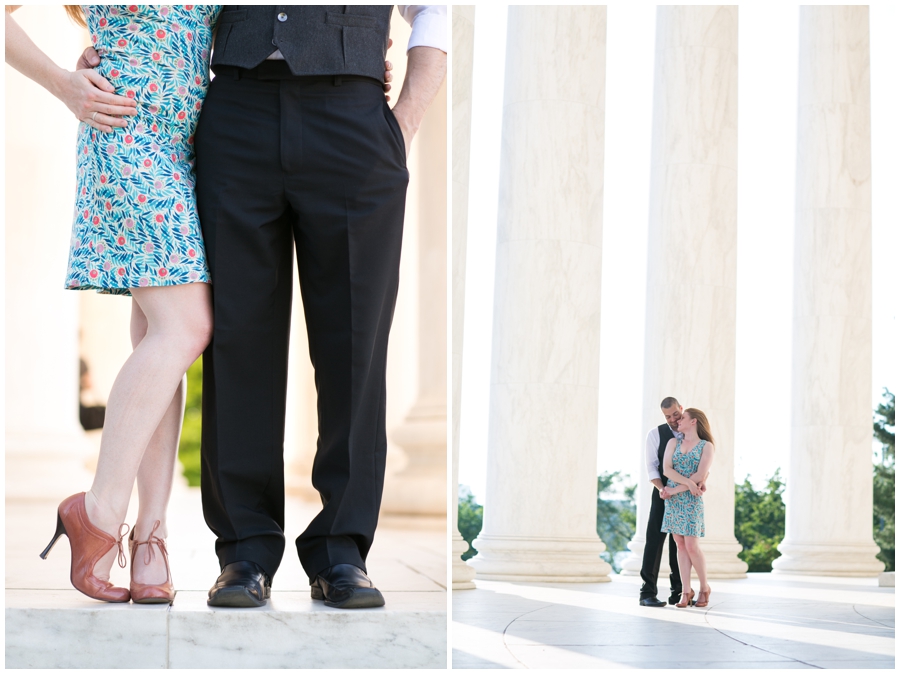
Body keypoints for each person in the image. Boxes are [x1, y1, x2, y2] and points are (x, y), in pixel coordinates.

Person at [193, 6, 447, 609]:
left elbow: (434, 7)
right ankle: (245, 550)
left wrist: (403, 120)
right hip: (235, 107)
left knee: (354, 345)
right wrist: (104, 48)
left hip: (354, 118)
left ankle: (341, 551)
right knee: (237, 341)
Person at [7, 4, 222, 604]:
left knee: (157, 337)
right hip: (124, 135)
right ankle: (98, 510)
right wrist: (63, 83)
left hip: (195, 144)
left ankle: (150, 538)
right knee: (185, 327)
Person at [660, 408, 716, 608]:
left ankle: (704, 587)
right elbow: (667, 469)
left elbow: (700, 474)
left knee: (692, 546)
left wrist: (677, 489)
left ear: (693, 421)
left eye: (682, 418)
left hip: (690, 500)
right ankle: (686, 590)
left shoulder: (706, 446)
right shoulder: (673, 442)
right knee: (680, 545)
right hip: (675, 501)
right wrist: (688, 484)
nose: (678, 421)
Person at [638, 397, 688, 607]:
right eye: (668, 416)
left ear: (681, 409)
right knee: (654, 540)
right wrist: (662, 489)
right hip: (662, 492)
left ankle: (679, 592)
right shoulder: (655, 434)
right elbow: (651, 467)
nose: (673, 419)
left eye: (675, 414)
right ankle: (647, 593)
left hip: (684, 494)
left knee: (681, 543)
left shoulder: (692, 431)